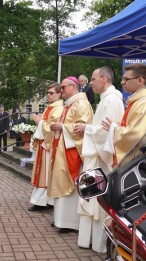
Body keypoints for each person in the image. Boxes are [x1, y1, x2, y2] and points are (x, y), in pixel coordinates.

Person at [74, 66, 125, 252]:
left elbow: (106, 133)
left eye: (93, 79)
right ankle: (89, 240)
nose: (90, 83)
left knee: (97, 200)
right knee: (91, 198)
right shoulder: (106, 99)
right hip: (95, 156)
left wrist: (86, 128)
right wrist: (88, 127)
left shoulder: (111, 100)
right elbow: (101, 127)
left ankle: (98, 242)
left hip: (100, 159)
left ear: (104, 79)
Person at [48, 76, 94, 234]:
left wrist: (63, 127)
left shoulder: (81, 104)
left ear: (73, 87)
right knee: (59, 180)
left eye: (63, 87)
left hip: (71, 151)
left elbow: (81, 129)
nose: (61, 91)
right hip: (62, 148)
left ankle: (70, 222)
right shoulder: (70, 104)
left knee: (68, 183)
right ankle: (62, 220)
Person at [102, 63, 146, 166]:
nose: (122, 82)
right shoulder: (138, 101)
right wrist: (120, 126)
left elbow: (137, 136)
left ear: (140, 80)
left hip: (142, 163)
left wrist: (115, 128)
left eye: (126, 79)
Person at [28, 83, 64, 211]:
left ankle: (42, 201)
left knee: (45, 173)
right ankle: (46, 200)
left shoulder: (59, 108)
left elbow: (52, 127)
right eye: (47, 93)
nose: (48, 95)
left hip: (50, 145)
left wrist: (39, 121)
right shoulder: (51, 107)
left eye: (51, 93)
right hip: (45, 145)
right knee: (44, 172)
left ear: (59, 94)